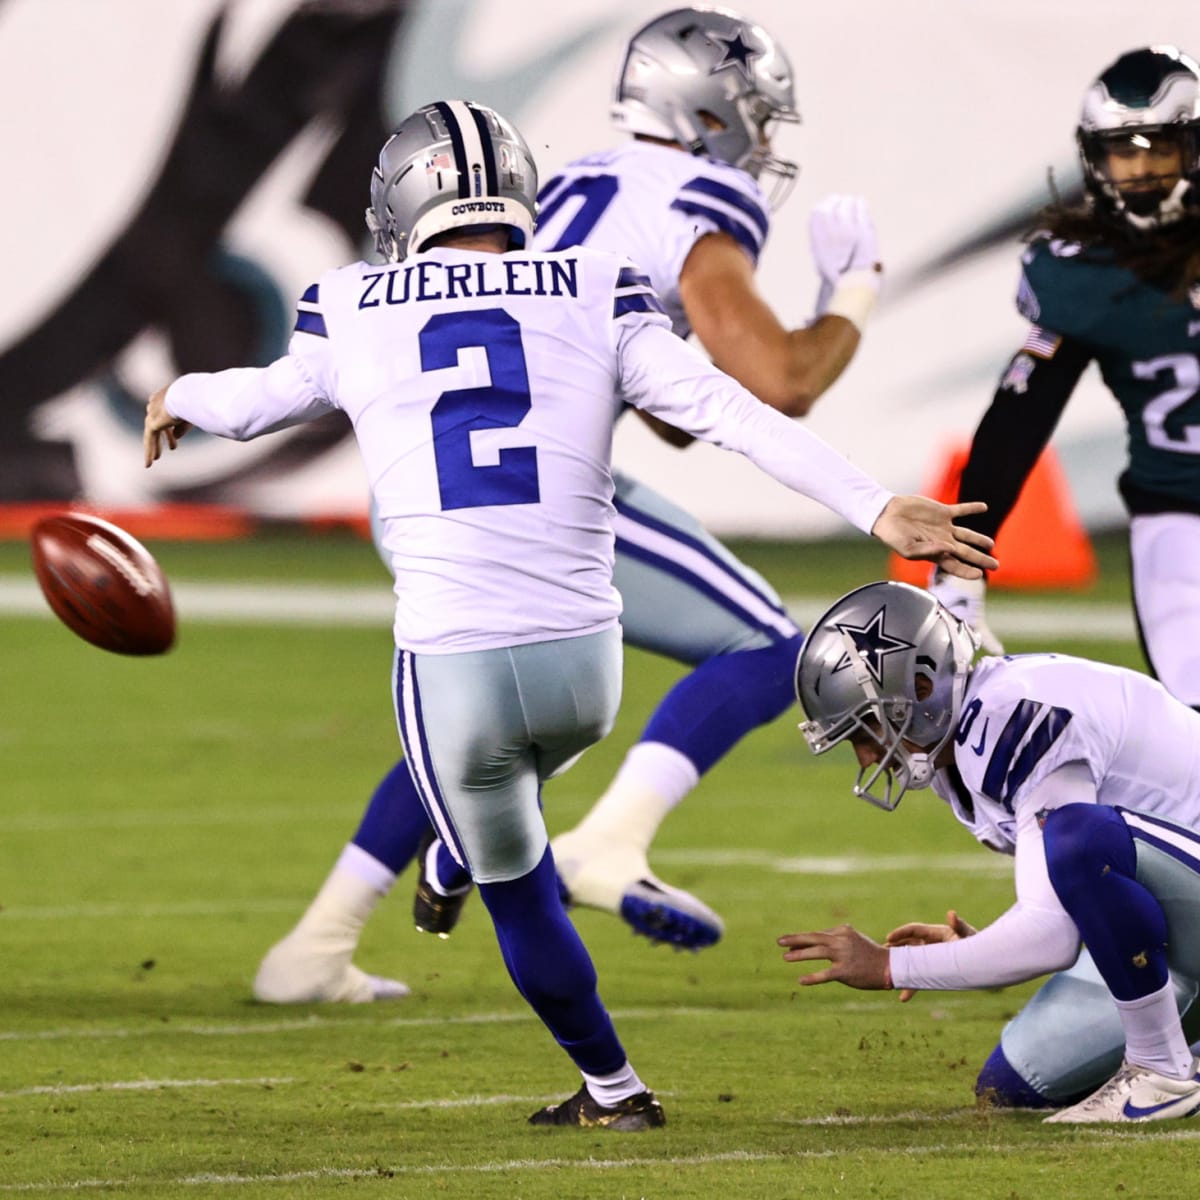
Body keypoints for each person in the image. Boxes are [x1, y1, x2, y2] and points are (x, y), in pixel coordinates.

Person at [143, 102, 993, 1125]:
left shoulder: (355, 302)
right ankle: (467, 840)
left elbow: (253, 404)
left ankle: (613, 1088)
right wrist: (878, 506)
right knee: (533, 760)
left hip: (453, 668)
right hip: (586, 669)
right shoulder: (596, 284)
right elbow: (732, 413)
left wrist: (179, 394)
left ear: (402, 203)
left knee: (518, 885)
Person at [253, 4, 889, 1006]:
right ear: (714, 115)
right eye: (756, 117)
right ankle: (607, 842)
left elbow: (670, 405)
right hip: (526, 484)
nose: (763, 142)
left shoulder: (582, 180)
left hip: (432, 480)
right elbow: (780, 381)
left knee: (469, 725)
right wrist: (853, 295)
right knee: (772, 649)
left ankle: (316, 945)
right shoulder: (694, 194)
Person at [926, 45, 1200, 1108]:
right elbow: (1016, 423)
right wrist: (960, 565)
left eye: (1158, 151)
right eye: (1121, 156)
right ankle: (1127, 940)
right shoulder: (1081, 273)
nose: (1139, 175)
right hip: (1180, 522)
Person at [779, 579, 1200, 1124]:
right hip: (1183, 912)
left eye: (865, 728)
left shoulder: (1011, 719)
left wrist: (889, 965)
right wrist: (987, 946)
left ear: (922, 689)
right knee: (1019, 1082)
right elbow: (1080, 901)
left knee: (1078, 838)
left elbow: (1052, 928)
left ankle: (1160, 1070)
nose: (864, 757)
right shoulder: (966, 740)